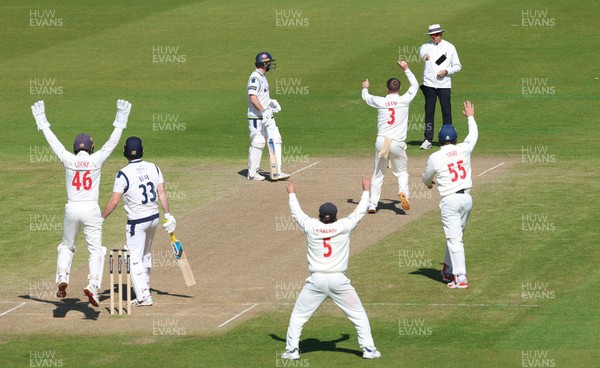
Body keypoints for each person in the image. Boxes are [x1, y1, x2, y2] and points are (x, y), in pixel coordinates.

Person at [30, 99, 131, 307]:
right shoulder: (96, 160)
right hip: (91, 209)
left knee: (67, 246)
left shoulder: (68, 159)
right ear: (91, 147)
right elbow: (112, 143)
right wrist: (120, 120)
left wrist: (43, 121)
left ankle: (62, 278)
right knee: (96, 250)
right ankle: (93, 285)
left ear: (75, 148)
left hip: (72, 208)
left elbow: (54, 143)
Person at [281, 177, 381, 360]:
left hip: (316, 281)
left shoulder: (311, 226)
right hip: (339, 280)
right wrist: (366, 190)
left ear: (319, 215)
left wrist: (292, 193)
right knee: (358, 316)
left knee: (298, 317)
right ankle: (368, 349)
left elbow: (297, 213)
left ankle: (292, 351)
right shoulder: (344, 226)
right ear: (335, 216)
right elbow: (359, 212)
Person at [101, 136, 176, 306]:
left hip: (136, 222)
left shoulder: (122, 174)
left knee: (133, 258)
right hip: (154, 218)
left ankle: (143, 296)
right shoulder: (154, 167)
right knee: (146, 255)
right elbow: (161, 193)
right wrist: (168, 215)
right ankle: (145, 288)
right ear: (142, 148)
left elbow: (114, 201)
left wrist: (101, 218)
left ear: (124, 151)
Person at [422, 101, 478, 289]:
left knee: (455, 239)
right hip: (466, 199)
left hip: (450, 201)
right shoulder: (463, 148)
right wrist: (470, 117)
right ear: (455, 138)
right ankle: (447, 271)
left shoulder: (435, 157)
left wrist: (429, 184)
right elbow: (473, 136)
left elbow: (426, 177)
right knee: (456, 235)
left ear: (439, 139)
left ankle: (460, 277)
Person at [361, 60, 419, 213]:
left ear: (387, 89)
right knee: (401, 172)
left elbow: (366, 97)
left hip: (381, 141)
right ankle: (403, 193)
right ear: (399, 88)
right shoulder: (404, 100)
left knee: (378, 173)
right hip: (397, 143)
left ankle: (373, 204)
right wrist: (406, 68)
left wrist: (365, 87)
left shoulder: (380, 101)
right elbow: (415, 86)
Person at [246, 51, 290, 181]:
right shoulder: (255, 78)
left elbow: (261, 96)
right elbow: (252, 97)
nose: (270, 64)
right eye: (269, 62)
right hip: (257, 117)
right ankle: (252, 173)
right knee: (258, 142)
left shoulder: (262, 77)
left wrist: (270, 103)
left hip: (267, 116)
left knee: (276, 139)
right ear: (264, 64)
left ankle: (277, 171)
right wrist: (263, 111)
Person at [419, 24, 462, 150]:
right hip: (429, 84)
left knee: (446, 112)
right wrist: (425, 57)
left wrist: (446, 71)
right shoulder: (425, 46)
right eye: (432, 35)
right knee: (429, 113)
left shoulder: (450, 47)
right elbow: (423, 54)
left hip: (444, 84)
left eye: (436, 35)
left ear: (441, 34)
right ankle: (427, 139)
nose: (434, 37)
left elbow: (458, 66)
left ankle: (449, 138)